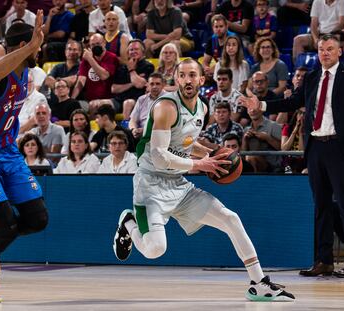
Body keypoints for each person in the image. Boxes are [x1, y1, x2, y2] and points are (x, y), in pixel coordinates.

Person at [112, 58, 295, 302]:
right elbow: (158, 155)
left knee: (231, 219)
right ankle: (129, 224)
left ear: (201, 79)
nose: (188, 80)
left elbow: (186, 143)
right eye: (183, 75)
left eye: (192, 75)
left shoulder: (202, 107)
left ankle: (259, 283)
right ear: (176, 80)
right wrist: (200, 164)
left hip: (179, 184)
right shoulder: (166, 106)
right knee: (155, 249)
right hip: (151, 185)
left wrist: (211, 154)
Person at [239, 34, 344, 278]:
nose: (325, 53)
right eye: (321, 49)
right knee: (321, 206)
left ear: (339, 52)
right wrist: (262, 105)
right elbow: (293, 102)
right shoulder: (312, 77)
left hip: (341, 147)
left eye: (330, 49)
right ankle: (324, 261)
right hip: (316, 147)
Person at [0, 13, 48, 303]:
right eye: (34, 46)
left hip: (6, 152)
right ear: (22, 46)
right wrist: (27, 49)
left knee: (38, 220)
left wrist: (28, 51)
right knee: (8, 225)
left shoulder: (25, 72)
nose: (38, 52)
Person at [129, 72, 166, 140]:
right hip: (140, 134)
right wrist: (134, 129)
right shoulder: (141, 99)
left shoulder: (170, 99)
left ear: (163, 85)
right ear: (148, 85)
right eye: (152, 84)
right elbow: (133, 120)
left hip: (160, 133)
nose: (154, 86)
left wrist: (146, 131)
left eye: (157, 84)